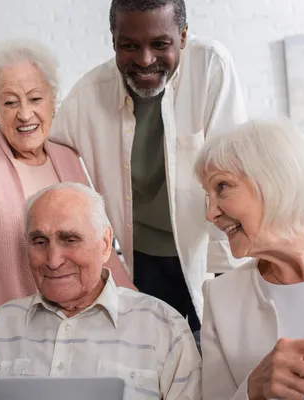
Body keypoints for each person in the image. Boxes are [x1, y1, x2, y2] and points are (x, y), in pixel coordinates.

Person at [49, 0, 247, 332]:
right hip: (142, 261)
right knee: (158, 362)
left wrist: (232, 269)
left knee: (219, 360)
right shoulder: (87, 96)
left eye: (160, 44)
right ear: (113, 41)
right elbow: (38, 147)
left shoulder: (211, 66)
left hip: (210, 251)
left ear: (182, 37)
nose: (144, 60)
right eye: (129, 45)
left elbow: (236, 171)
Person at [0, 39, 134, 342]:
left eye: (35, 99)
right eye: (10, 102)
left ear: (53, 101)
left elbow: (102, 255)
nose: (25, 114)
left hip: (82, 337)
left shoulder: (68, 158)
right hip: (10, 343)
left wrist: (139, 313)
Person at [0, 182, 201, 400]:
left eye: (70, 239)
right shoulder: (1, 325)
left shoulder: (165, 327)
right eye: (39, 241)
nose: (53, 261)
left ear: (105, 243)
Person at [196, 120, 304, 400]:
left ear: (273, 179)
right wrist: (252, 389)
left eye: (222, 187)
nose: (210, 213)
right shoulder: (221, 297)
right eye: (208, 197)